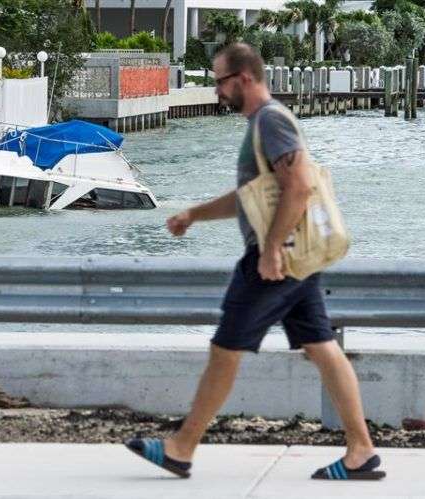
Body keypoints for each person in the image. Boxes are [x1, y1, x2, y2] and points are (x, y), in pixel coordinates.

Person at [124, 43, 385, 481]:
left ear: (243, 78)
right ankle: (362, 450)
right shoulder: (262, 125)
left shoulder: (270, 121)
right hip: (291, 260)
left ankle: (181, 448)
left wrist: (270, 250)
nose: (216, 91)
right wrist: (195, 214)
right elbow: (253, 199)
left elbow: (299, 186)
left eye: (219, 81)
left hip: (275, 262)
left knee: (225, 349)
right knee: (322, 347)